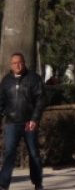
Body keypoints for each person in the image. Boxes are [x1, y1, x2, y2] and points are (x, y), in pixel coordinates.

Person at [0, 53, 44, 190]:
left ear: (24, 63)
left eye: (20, 62)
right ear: (10, 65)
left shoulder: (34, 79)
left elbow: (41, 100)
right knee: (9, 154)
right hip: (11, 123)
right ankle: (3, 184)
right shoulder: (6, 81)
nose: (17, 65)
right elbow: (1, 101)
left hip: (28, 123)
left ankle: (38, 183)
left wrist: (34, 119)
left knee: (34, 154)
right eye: (14, 63)